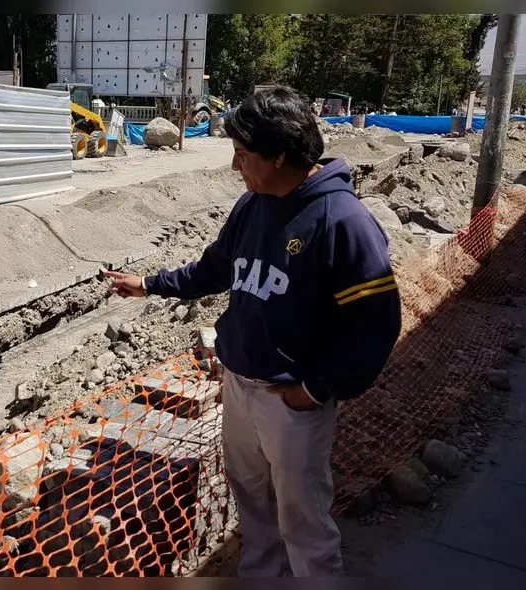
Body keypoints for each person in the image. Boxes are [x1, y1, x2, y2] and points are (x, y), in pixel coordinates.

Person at [103, 86, 402, 578]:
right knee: (255, 511)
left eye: (243, 155)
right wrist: (150, 285)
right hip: (239, 386)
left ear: (279, 156)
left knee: (303, 522)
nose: (234, 166)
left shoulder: (341, 222)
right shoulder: (253, 204)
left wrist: (316, 388)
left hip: (291, 403)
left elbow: (378, 324)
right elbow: (216, 269)